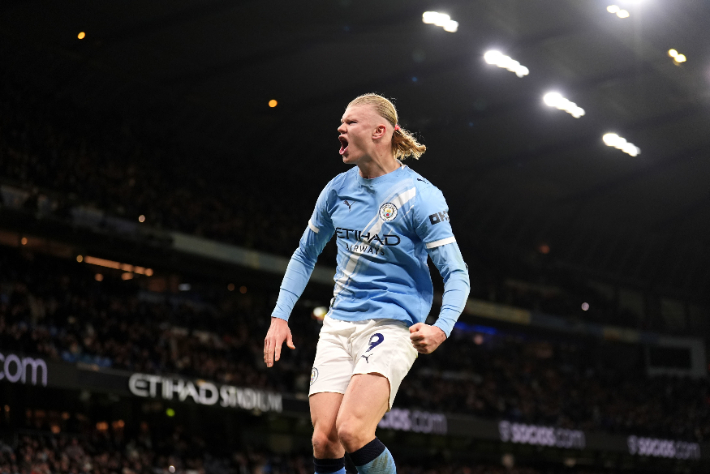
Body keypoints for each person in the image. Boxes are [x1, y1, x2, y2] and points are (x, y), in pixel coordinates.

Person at [264, 93, 470, 474]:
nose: (340, 127)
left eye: (350, 122)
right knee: (324, 440)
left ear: (380, 131)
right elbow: (305, 254)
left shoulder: (420, 196)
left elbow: (456, 273)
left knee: (352, 429)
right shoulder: (336, 189)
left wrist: (441, 328)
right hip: (339, 324)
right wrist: (280, 316)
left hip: (392, 325)